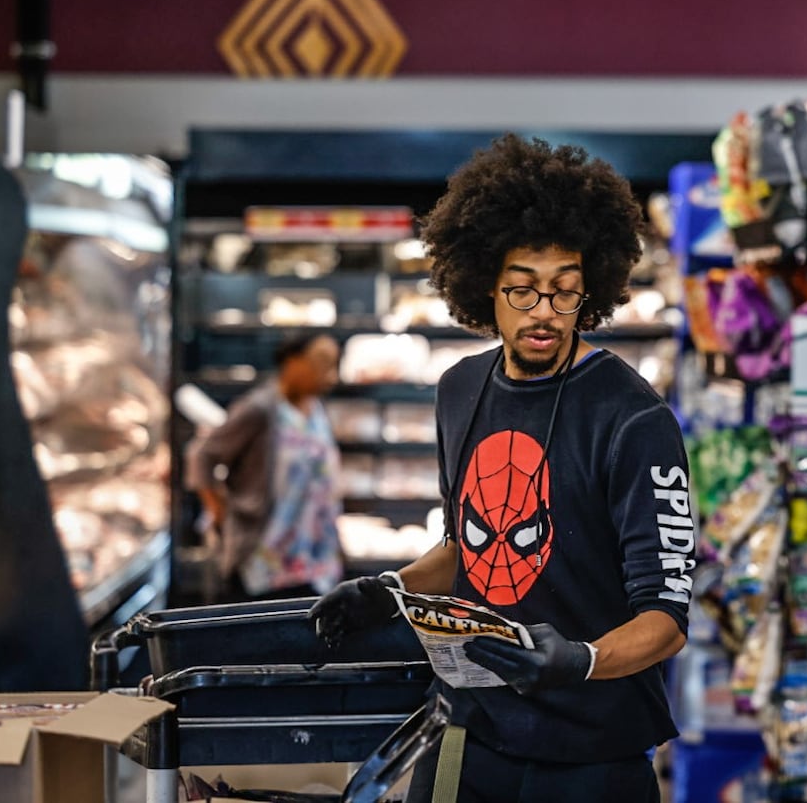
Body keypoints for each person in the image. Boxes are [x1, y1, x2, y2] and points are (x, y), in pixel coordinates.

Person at [310, 135, 695, 803]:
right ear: (485, 285)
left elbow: (666, 616)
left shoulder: (634, 419)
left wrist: (580, 661)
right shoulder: (460, 390)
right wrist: (389, 590)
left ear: (592, 290)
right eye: (521, 290)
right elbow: (467, 544)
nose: (543, 312)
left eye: (564, 292)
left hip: (593, 755)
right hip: (469, 731)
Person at [186, 331, 344, 601]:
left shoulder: (316, 409)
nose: (331, 375)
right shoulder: (260, 409)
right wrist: (219, 511)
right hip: (266, 563)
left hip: (315, 561)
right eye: (322, 363)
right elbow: (202, 455)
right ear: (293, 361)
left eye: (334, 364)